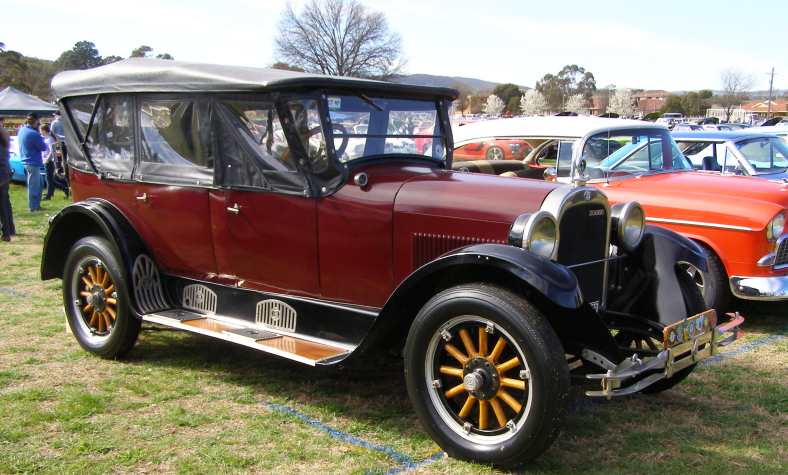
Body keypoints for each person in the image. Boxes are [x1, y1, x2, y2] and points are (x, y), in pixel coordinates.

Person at [18, 113, 47, 212]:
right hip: (33, 162)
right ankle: (33, 207)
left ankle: (36, 205)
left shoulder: (22, 130)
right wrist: (40, 135)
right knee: (34, 186)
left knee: (40, 184)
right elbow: (43, 147)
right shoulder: (34, 134)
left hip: (27, 160)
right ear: (36, 121)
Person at [41, 123, 68, 200]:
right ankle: (51, 192)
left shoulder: (50, 139)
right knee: (50, 178)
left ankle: (51, 194)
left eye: (41, 131)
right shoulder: (47, 138)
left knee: (50, 179)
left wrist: (48, 159)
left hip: (49, 161)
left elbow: (52, 151)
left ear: (44, 130)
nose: (40, 132)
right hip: (47, 160)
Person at [0, 117, 13, 241]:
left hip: (2, 173)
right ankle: (9, 230)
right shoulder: (4, 136)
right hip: (4, 173)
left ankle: (6, 232)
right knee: (4, 203)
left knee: (3, 204)